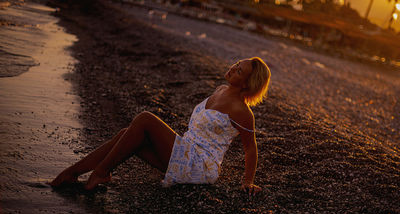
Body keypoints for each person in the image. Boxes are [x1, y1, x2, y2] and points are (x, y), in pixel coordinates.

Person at [49, 57, 271, 195]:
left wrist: (248, 182)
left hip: (201, 166)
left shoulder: (243, 112)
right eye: (236, 64)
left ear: (247, 84)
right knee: (127, 135)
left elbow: (250, 148)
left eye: (239, 71)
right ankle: (73, 172)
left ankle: (101, 172)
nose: (233, 68)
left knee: (145, 118)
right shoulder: (220, 90)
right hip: (186, 151)